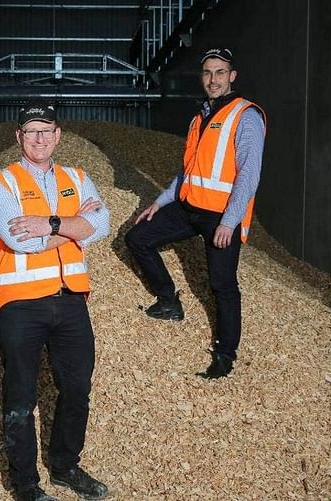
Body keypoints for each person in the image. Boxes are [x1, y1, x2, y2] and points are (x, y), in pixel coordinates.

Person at [0, 100, 111, 501]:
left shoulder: (77, 175)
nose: (39, 138)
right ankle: (26, 485)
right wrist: (76, 227)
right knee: (20, 395)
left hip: (71, 300)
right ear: (19, 137)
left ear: (58, 136)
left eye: (46, 130)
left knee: (77, 388)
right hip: (20, 304)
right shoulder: (0, 184)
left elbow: (103, 224)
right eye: (31, 131)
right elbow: (24, 242)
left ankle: (65, 465)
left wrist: (50, 224)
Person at [124, 47, 266, 380]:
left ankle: (225, 355)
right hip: (189, 207)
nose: (213, 79)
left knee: (222, 285)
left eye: (220, 72)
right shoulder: (200, 116)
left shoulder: (245, 116)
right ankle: (169, 302)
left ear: (232, 76)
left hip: (220, 217)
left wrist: (230, 222)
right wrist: (159, 202)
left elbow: (249, 174)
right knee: (138, 237)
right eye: (207, 73)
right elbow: (189, 171)